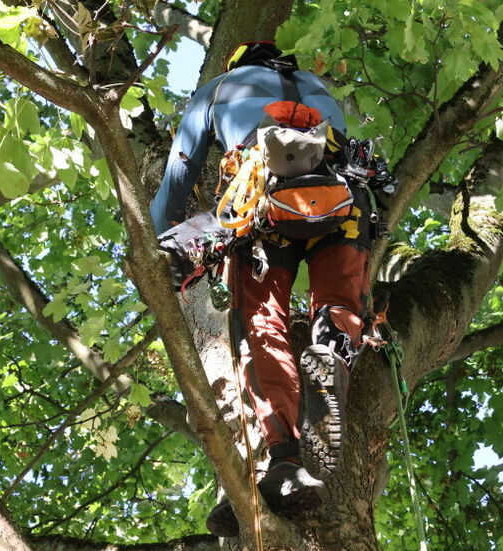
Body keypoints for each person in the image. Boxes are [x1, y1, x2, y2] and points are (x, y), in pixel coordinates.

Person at [151, 42, 377, 537]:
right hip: (342, 199)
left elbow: (178, 173)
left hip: (262, 200)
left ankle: (284, 453)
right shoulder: (322, 91)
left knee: (261, 324)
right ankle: (329, 361)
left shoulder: (218, 89)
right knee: (339, 303)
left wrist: (164, 239)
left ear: (235, 64)